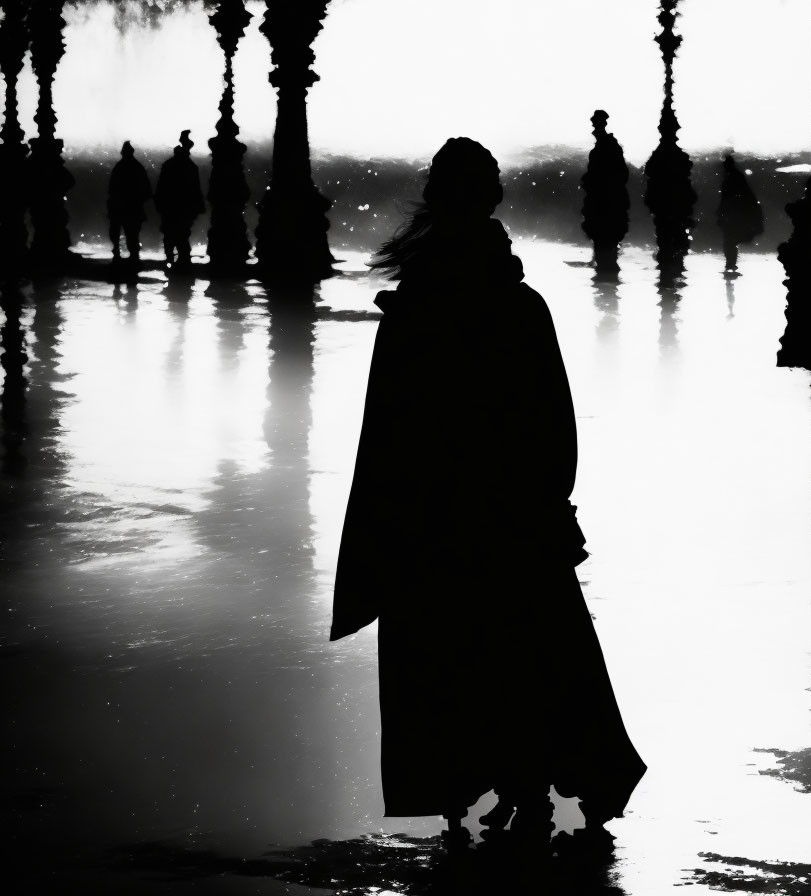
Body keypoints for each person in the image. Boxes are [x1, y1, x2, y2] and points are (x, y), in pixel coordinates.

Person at [331, 137, 645, 847]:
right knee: (528, 653)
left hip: (434, 523)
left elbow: (389, 436)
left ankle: (459, 791)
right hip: (510, 520)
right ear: (492, 200)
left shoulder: (414, 308)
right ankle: (530, 786)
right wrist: (549, 503)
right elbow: (553, 426)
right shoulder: (517, 304)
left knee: (448, 660)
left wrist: (388, 532)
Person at [580, 110, 630, 273]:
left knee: (604, 247)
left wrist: (591, 182)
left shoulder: (606, 146)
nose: (593, 128)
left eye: (595, 124)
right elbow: (621, 175)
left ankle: (605, 278)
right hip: (607, 203)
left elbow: (616, 175)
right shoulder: (607, 145)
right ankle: (606, 280)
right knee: (606, 248)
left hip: (604, 204)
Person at [154, 130, 206, 271]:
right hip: (183, 209)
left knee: (171, 237)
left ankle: (171, 261)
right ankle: (182, 262)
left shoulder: (170, 165)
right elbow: (195, 189)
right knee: (182, 236)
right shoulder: (190, 167)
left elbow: (161, 188)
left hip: (171, 208)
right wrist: (197, 207)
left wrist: (159, 204)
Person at [716, 153, 764, 276]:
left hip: (733, 213)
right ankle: (731, 264)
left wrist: (722, 212)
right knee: (731, 240)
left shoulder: (731, 177)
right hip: (734, 213)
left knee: (730, 240)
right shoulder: (734, 176)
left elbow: (728, 197)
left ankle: (730, 264)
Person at [107, 141, 152, 267]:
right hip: (133, 207)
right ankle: (133, 257)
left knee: (118, 233)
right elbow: (147, 189)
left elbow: (112, 189)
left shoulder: (119, 167)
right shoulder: (138, 167)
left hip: (120, 206)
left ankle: (118, 255)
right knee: (132, 234)